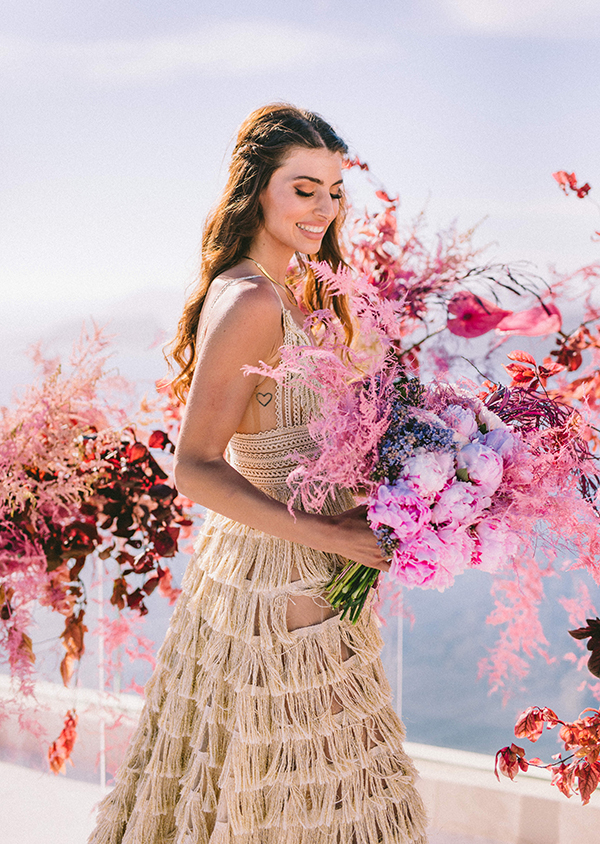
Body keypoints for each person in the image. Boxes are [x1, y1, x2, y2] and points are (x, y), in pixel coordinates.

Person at [88, 104, 428, 844]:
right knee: (311, 803)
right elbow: (194, 466)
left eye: (334, 191)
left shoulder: (300, 292)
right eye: (303, 189)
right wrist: (333, 535)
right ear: (256, 189)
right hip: (284, 580)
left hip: (297, 568)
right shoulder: (251, 300)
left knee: (304, 798)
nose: (324, 208)